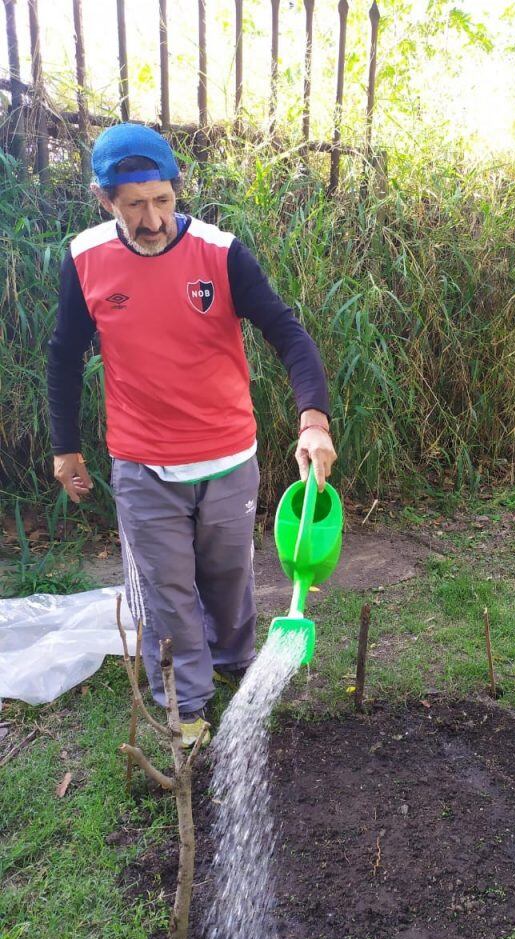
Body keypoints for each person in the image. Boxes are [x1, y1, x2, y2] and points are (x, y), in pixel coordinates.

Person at [47, 122, 336, 745]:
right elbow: (65, 353)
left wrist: (313, 420)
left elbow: (287, 333)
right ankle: (187, 708)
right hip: (143, 464)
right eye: (134, 205)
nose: (152, 219)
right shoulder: (85, 257)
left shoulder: (220, 252)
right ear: (105, 200)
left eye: (163, 200)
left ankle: (235, 666)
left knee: (231, 579)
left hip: (229, 457)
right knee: (167, 591)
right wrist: (65, 445)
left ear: (177, 191)